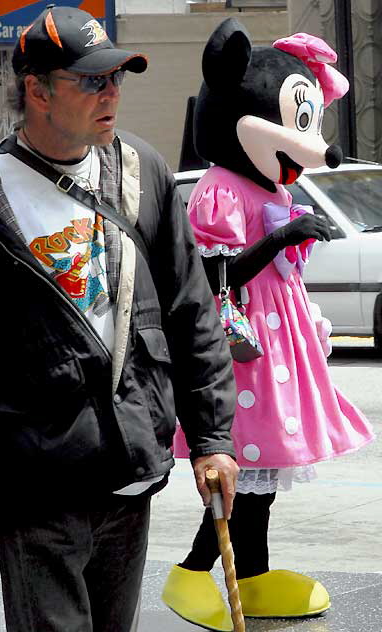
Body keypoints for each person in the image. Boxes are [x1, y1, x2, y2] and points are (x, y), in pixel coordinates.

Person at [0, 6, 239, 631]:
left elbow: (190, 313)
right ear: (37, 90)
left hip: (130, 477)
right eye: (92, 81)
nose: (112, 94)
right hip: (37, 488)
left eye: (118, 79)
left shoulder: (141, 173)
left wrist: (212, 439)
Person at [162, 19, 375, 631]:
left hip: (276, 349)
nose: (310, 147)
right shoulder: (220, 189)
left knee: (264, 475)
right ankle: (192, 573)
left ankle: (251, 574)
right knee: (241, 474)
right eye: (291, 125)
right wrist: (284, 234)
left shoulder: (266, 192)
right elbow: (215, 274)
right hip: (242, 354)